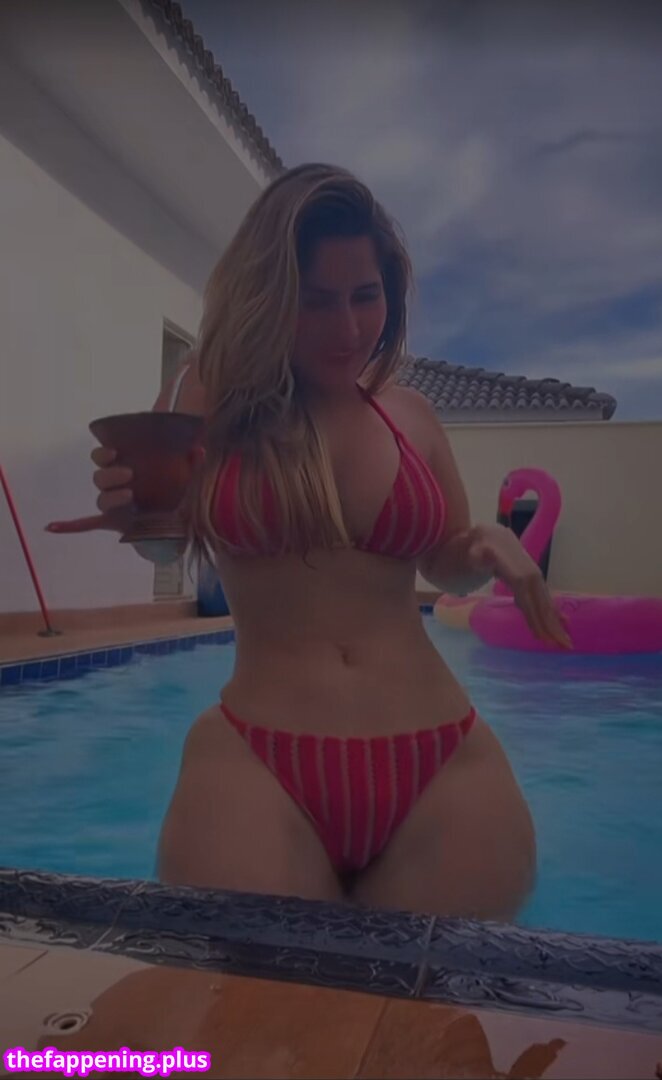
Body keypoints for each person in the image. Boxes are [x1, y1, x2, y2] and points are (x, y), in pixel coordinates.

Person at [48, 163, 571, 919]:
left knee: (445, 994)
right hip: (263, 757)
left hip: (439, 759)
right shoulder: (207, 394)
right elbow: (164, 542)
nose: (348, 328)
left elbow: (443, 564)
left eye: (365, 296)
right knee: (245, 994)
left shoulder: (412, 416)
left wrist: (483, 546)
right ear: (271, 297)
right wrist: (137, 513)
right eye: (317, 301)